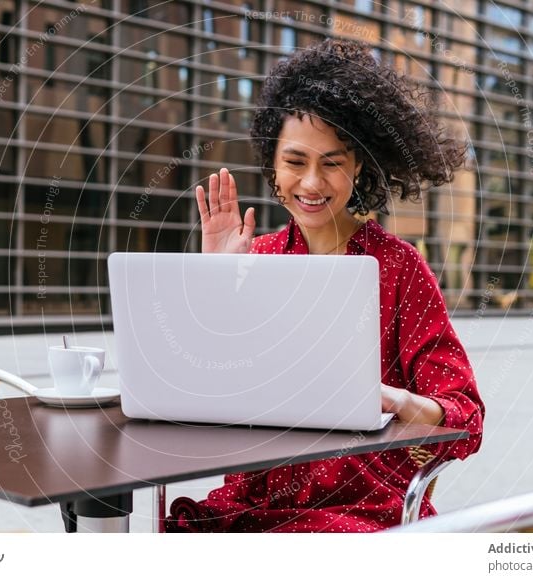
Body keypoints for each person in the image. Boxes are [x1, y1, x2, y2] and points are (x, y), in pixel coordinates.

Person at [166, 38, 484, 533]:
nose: (311, 183)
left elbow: (464, 417)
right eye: (295, 162)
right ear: (272, 163)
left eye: (332, 162)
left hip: (361, 508)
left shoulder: (399, 269)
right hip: (256, 499)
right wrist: (218, 283)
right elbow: (202, 393)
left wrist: (396, 400)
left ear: (359, 166)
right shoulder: (258, 258)